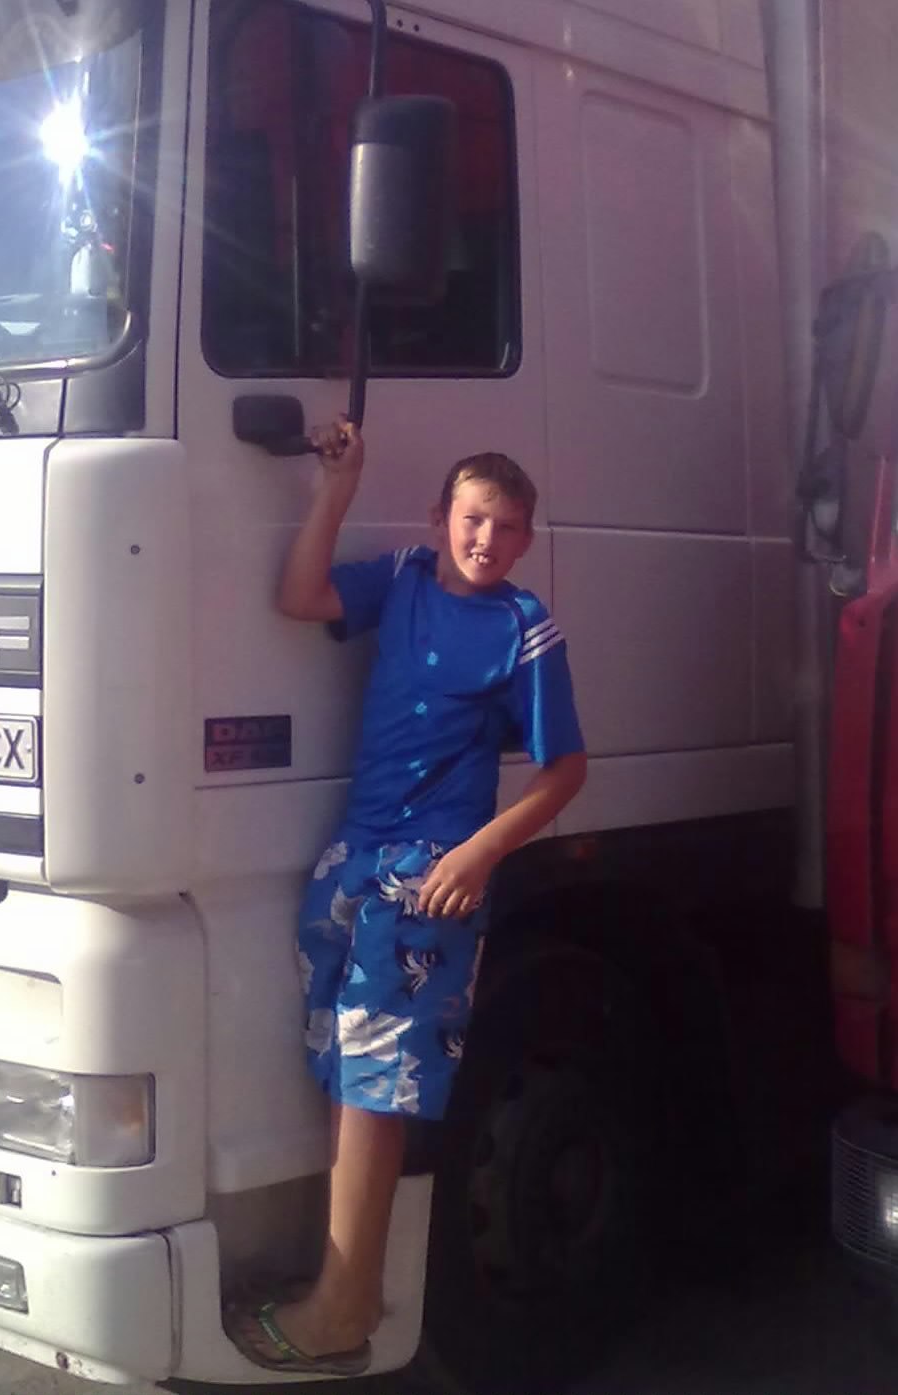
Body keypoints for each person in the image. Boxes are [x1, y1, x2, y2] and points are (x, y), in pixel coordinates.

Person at [225, 416, 587, 1376]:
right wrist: (337, 488)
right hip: (353, 855)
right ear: (439, 517)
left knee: (376, 1088)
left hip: (427, 878)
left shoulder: (524, 627)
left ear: (526, 540)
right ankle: (336, 1286)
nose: (485, 540)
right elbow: (299, 595)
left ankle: (344, 1307)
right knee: (347, 1073)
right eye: (472, 518)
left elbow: (564, 770)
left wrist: (476, 857)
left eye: (506, 527)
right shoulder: (403, 579)